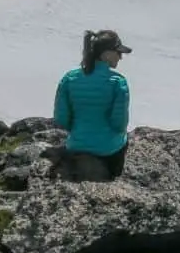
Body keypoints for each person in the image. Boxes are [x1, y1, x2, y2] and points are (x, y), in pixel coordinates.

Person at [52, 29, 132, 181]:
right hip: (109, 151)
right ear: (106, 54)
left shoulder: (69, 78)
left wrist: (80, 133)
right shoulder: (118, 82)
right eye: (118, 52)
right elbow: (119, 124)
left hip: (76, 146)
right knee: (123, 142)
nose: (120, 57)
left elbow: (61, 119)